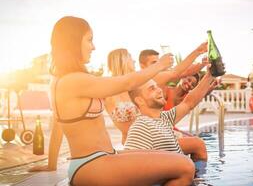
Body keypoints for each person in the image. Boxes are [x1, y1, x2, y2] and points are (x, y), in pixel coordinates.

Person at [30, 16, 196, 186]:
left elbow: (58, 125)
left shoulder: (64, 80)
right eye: (89, 40)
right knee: (185, 167)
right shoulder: (72, 81)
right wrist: (159, 65)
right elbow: (128, 82)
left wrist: (51, 165)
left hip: (103, 158)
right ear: (73, 42)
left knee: (177, 158)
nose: (93, 47)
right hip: (91, 164)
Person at [124, 68, 215, 159]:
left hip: (179, 169)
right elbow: (130, 165)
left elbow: (189, 103)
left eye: (156, 86)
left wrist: (210, 75)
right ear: (140, 100)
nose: (159, 90)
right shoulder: (141, 126)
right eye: (152, 89)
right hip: (169, 171)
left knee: (198, 143)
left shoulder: (165, 118)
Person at [104, 48, 140, 144]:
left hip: (150, 138)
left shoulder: (137, 86)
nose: (134, 61)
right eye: (130, 57)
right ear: (122, 61)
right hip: (132, 143)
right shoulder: (108, 90)